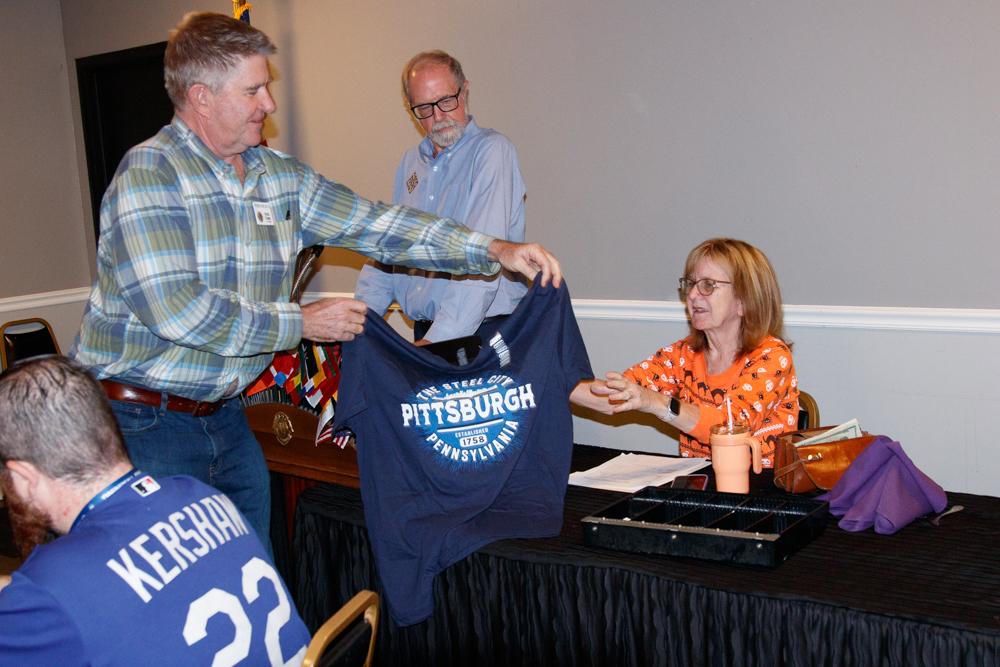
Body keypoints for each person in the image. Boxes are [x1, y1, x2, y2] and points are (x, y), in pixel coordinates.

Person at [69, 12, 562, 550]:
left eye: (268, 87)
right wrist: (300, 321)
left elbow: (377, 225)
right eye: (254, 89)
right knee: (164, 604)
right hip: (145, 423)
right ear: (201, 97)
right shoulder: (150, 176)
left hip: (225, 418)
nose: (270, 104)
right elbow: (177, 311)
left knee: (250, 581)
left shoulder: (276, 176)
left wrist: (491, 248)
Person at [0, 356, 311, 665]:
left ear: (24, 476)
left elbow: (61, 600)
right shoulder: (201, 495)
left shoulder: (53, 592)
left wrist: (29, 599)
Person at [572, 238, 798, 467]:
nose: (692, 295)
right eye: (691, 284)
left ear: (744, 301)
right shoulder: (683, 354)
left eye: (708, 285)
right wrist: (544, 381)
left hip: (762, 494)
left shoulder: (772, 356)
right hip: (699, 488)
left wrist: (656, 402)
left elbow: (729, 427)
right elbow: (614, 398)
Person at [355, 50, 527, 345]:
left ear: (465, 90)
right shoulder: (411, 163)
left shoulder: (492, 152)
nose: (438, 117)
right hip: (426, 332)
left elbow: (481, 260)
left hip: (479, 332)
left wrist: (436, 343)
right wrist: (356, 322)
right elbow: (391, 247)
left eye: (447, 101)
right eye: (423, 108)